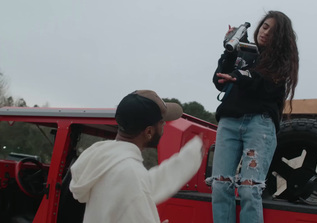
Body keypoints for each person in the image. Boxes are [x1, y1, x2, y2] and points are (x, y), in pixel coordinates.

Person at [208, 11, 299, 223]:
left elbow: (266, 84)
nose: (266, 33)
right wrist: (230, 51)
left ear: (281, 38)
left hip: (259, 125)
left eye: (273, 31)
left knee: (249, 190)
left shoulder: (281, 62)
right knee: (220, 186)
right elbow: (219, 79)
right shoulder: (243, 50)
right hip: (229, 122)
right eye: (265, 26)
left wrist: (240, 77)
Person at [69, 90, 204, 223]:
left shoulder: (106, 161)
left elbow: (146, 185)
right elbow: (137, 186)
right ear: (149, 132)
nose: (164, 125)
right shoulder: (130, 174)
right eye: (162, 122)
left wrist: (190, 157)